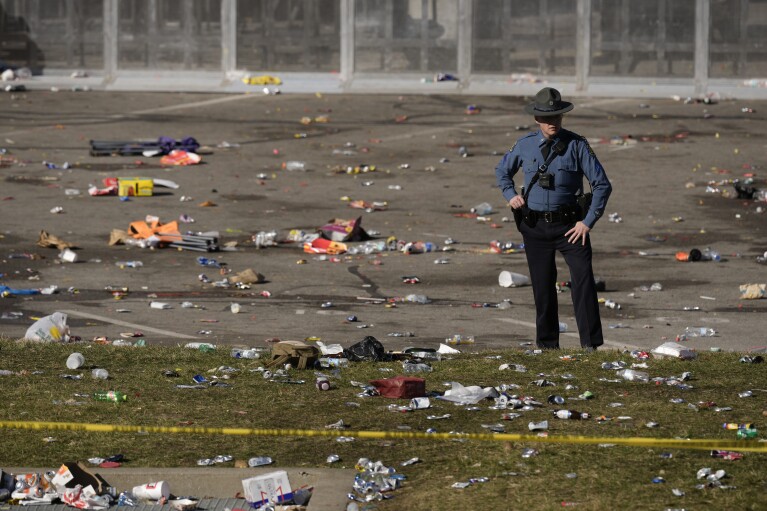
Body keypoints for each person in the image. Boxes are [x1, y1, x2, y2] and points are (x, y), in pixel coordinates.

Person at [495, 87, 612, 350]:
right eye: (547, 118)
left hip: (571, 227)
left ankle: (590, 345)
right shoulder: (524, 145)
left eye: (557, 117)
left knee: (583, 283)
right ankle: (547, 346)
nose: (553, 123)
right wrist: (510, 195)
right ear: (537, 119)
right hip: (534, 227)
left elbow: (602, 185)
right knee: (543, 288)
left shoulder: (577, 145)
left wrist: (588, 222)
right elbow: (502, 171)